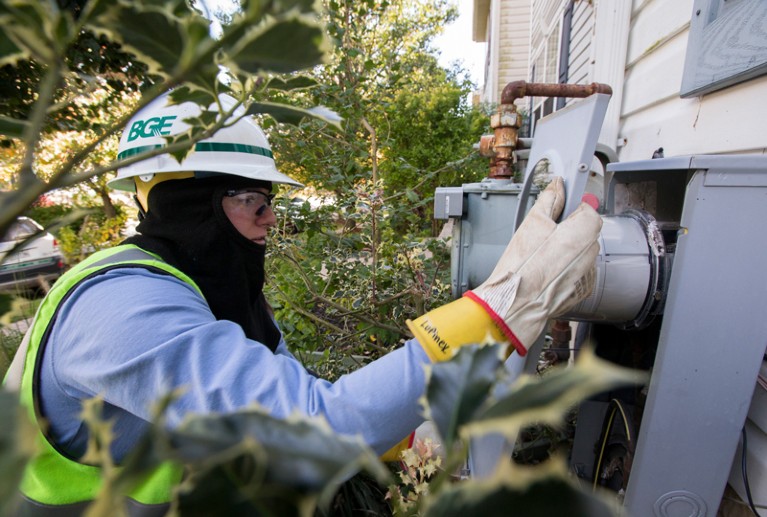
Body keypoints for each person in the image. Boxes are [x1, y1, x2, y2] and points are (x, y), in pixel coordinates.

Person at [5, 92, 602, 513]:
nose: (269, 222)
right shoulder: (123, 311)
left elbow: (298, 396)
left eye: (271, 204)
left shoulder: (214, 292)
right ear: (187, 204)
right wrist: (499, 312)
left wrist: (405, 438)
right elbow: (316, 432)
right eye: (251, 203)